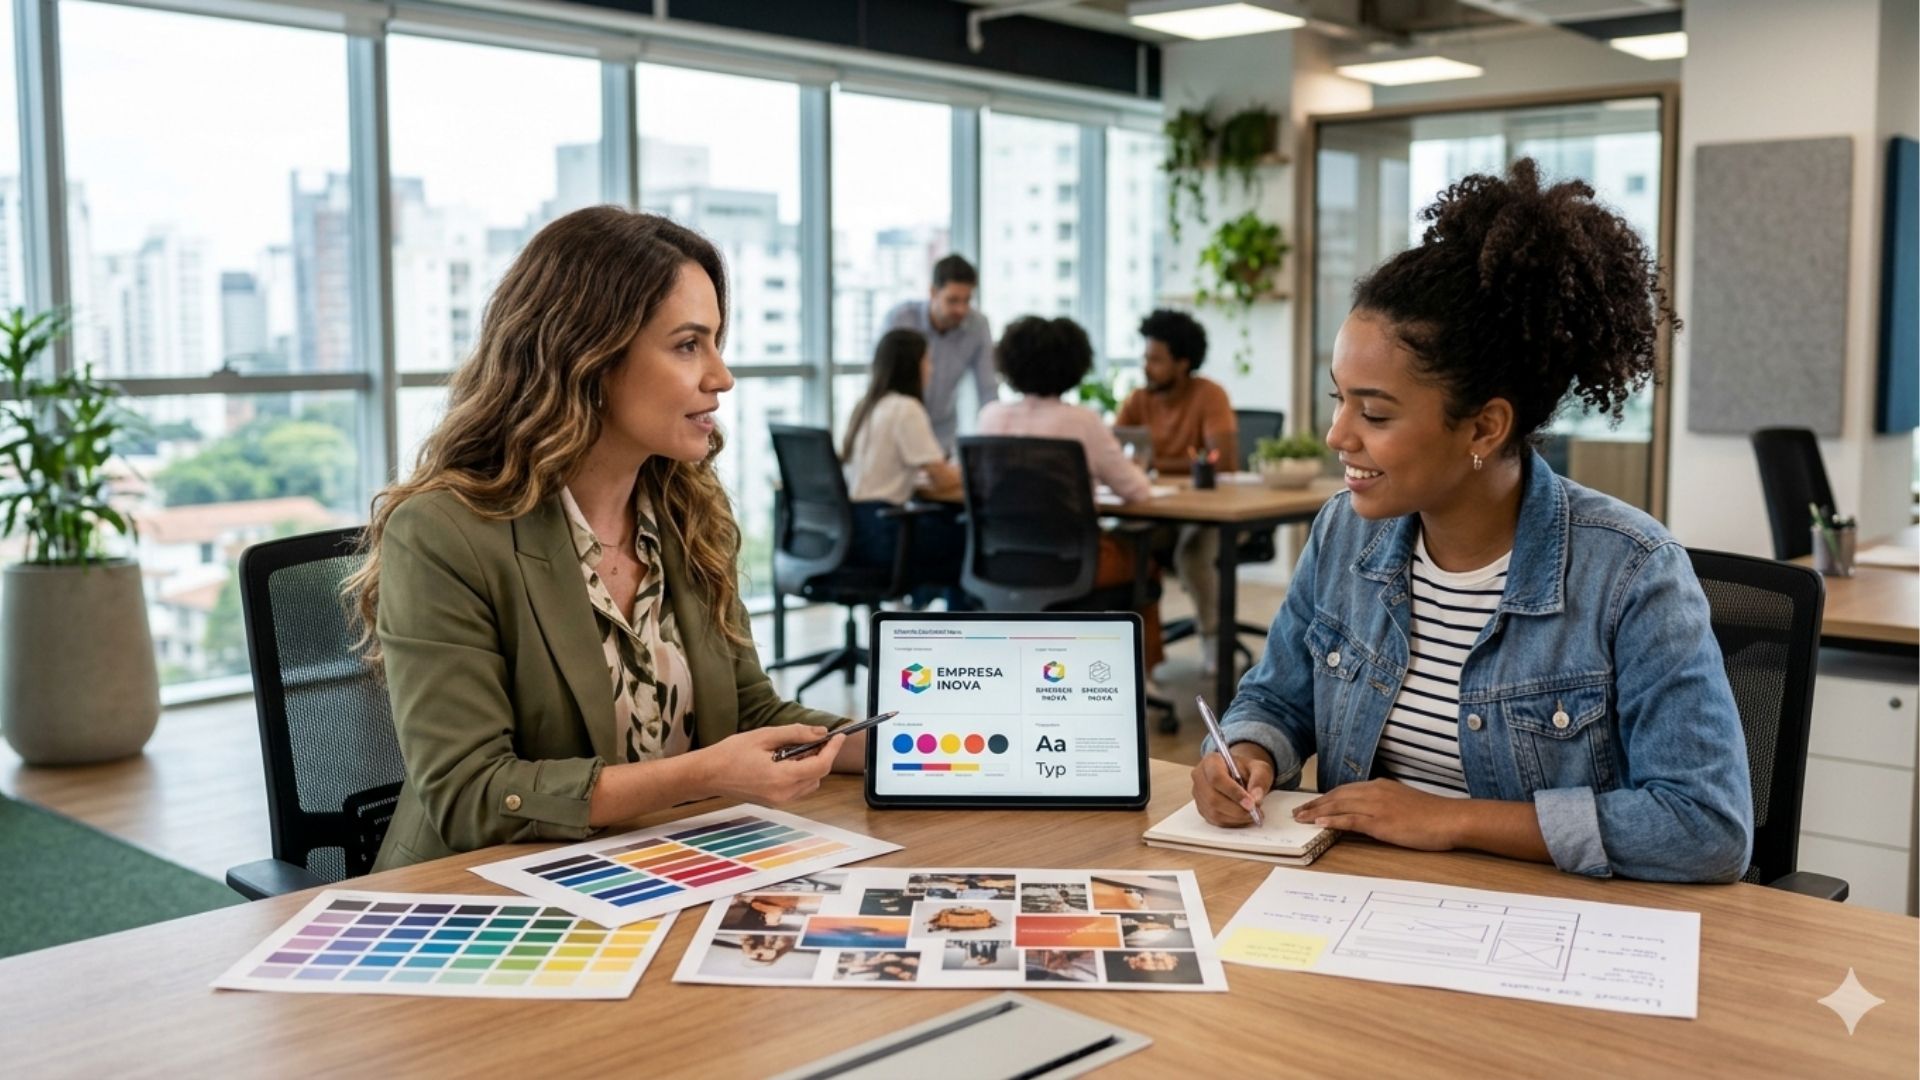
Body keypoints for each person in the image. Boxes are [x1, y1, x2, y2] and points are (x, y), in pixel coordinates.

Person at [1193, 160, 1754, 883]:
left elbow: (1705, 825)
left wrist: (1452, 820)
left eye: (1374, 413)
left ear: (1484, 427)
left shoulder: (1631, 571)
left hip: (1550, 923)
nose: (1337, 435)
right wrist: (1247, 751)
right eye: (1338, 399)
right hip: (1361, 900)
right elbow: (1277, 697)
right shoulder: (1344, 532)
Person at [347, 206, 857, 872]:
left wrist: (910, 747)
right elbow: (471, 795)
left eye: (716, 343)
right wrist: (703, 775)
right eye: (688, 345)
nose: (721, 377)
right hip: (476, 892)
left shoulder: (688, 514)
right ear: (588, 356)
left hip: (649, 867)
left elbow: (746, 711)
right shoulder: (442, 534)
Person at [977, 315, 1165, 674]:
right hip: (1073, 566)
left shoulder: (990, 417)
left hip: (1000, 560)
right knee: (1146, 563)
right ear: (1074, 364)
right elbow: (1136, 490)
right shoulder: (1081, 421)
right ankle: (1143, 675)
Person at [1115, 309, 1239, 675]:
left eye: (1156, 360)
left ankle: (1214, 639)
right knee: (1121, 547)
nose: (1146, 367)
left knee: (1192, 552)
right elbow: (1112, 453)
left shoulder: (1209, 395)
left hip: (1211, 511)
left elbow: (1223, 460)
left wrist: (1153, 465)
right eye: (1145, 357)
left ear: (1182, 363)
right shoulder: (1138, 400)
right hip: (1158, 511)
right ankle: (1137, 651)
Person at [840, 328, 968, 607]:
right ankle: (950, 622)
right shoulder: (906, 408)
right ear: (913, 365)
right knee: (969, 542)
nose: (931, 369)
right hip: (884, 533)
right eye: (928, 360)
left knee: (946, 530)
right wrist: (972, 472)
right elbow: (942, 479)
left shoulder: (867, 406)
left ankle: (913, 608)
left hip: (851, 531)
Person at [882, 254, 994, 453]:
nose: (961, 310)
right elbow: (882, 380)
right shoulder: (901, 319)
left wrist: (993, 442)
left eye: (967, 300)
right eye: (953, 300)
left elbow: (987, 389)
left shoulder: (978, 326)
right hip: (898, 431)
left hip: (942, 436)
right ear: (933, 292)